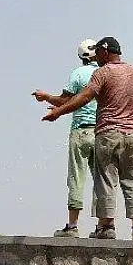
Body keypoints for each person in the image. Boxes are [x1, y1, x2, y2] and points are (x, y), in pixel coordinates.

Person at [43, 36, 133, 241]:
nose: (96, 57)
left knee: (106, 181)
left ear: (105, 51)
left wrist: (58, 112)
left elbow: (83, 97)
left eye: (98, 52)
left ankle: (107, 227)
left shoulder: (103, 73)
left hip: (108, 135)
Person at [32, 39, 99, 237]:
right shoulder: (104, 74)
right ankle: (105, 225)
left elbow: (65, 101)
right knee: (102, 180)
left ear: (81, 57)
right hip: (101, 132)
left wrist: (46, 97)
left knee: (76, 178)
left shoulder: (78, 74)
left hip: (80, 131)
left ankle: (72, 226)